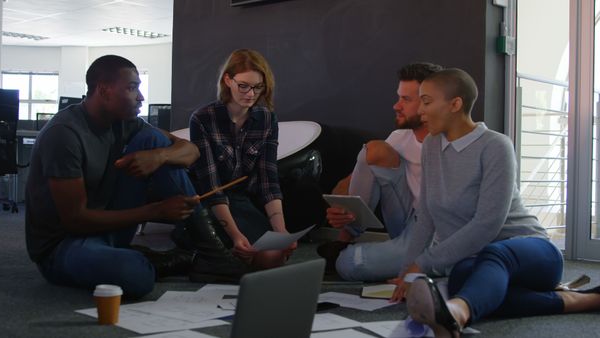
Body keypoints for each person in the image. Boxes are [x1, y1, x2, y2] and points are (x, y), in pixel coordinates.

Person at [391, 68, 600, 337]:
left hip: (531, 253)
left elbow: (486, 225)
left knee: (493, 255)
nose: (420, 110)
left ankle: (458, 313)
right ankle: (584, 300)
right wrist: (406, 272)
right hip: (481, 260)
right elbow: (427, 215)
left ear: (455, 104)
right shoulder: (432, 145)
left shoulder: (496, 146)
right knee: (462, 281)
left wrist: (424, 263)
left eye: (427, 101)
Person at [25, 55, 247, 299]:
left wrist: (159, 157)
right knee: (134, 275)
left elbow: (190, 151)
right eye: (132, 88)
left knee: (156, 143)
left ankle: (212, 255)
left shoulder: (124, 122)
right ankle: (161, 260)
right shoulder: (64, 135)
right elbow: (75, 221)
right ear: (104, 90)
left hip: (108, 227)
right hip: (63, 246)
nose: (140, 96)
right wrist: (156, 211)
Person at [318, 63, 442, 281]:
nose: (396, 105)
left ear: (428, 103)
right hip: (406, 221)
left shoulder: (452, 144)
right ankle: (343, 242)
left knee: (351, 264)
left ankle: (427, 264)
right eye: (398, 97)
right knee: (374, 150)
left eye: (406, 99)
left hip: (435, 230)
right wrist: (341, 208)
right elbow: (349, 182)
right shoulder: (399, 138)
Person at [189, 49, 295, 270]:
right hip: (208, 203)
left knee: (276, 255)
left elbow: (269, 179)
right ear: (228, 80)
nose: (250, 94)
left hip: (242, 200)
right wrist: (236, 235)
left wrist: (281, 231)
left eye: (258, 87)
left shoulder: (266, 118)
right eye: (243, 85)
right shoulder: (203, 119)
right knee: (255, 255)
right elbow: (213, 187)